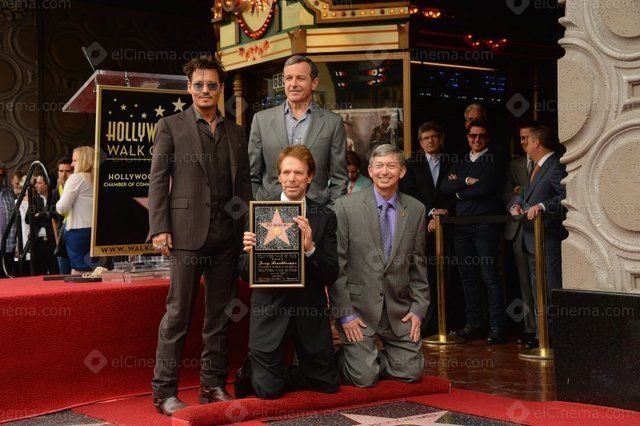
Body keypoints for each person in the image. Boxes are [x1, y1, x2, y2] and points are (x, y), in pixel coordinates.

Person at [148, 55, 251, 416]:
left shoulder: (236, 133)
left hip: (227, 237)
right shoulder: (170, 126)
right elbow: (158, 179)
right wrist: (159, 227)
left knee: (219, 316)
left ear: (220, 89)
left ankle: (212, 385)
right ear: (189, 88)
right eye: (198, 85)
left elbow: (244, 186)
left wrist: (247, 228)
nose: (205, 90)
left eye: (211, 85)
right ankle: (164, 391)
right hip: (186, 235)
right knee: (178, 314)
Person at [235, 145, 339, 399]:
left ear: (310, 176)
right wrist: (252, 255)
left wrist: (310, 249)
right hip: (270, 312)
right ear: (279, 176)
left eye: (299, 173)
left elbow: (331, 274)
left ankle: (280, 373)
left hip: (309, 313)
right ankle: (257, 373)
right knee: (268, 392)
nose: (292, 178)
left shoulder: (324, 216)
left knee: (328, 384)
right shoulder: (259, 211)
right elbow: (244, 272)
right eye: (286, 172)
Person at [331, 143, 429, 387]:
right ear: (370, 171)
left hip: (398, 312)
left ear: (402, 171)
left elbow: (419, 265)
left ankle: (370, 361)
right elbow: (338, 267)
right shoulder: (345, 207)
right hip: (358, 313)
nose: (385, 171)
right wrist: (345, 314)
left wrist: (418, 309)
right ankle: (341, 359)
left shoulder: (416, 209)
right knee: (364, 378)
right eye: (379, 166)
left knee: (412, 371)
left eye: (391, 166)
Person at [441, 120, 508, 344]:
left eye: (481, 136)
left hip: (485, 224)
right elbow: (445, 186)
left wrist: (460, 190)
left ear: (488, 138)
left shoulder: (494, 159)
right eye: (473, 136)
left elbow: (487, 188)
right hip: (461, 225)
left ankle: (497, 326)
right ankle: (474, 323)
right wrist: (467, 181)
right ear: (467, 137)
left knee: (490, 276)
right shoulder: (460, 160)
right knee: (467, 276)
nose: (477, 139)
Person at [249, 55, 348, 205]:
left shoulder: (332, 123)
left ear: (314, 83)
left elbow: (339, 178)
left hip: (316, 210)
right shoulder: (261, 120)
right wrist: (259, 207)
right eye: (288, 78)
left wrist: (330, 212)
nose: (293, 84)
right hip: (270, 210)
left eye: (300, 78)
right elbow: (252, 174)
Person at [509, 125, 567, 349]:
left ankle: (553, 338)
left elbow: (565, 197)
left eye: (528, 141)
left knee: (550, 290)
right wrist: (517, 205)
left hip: (548, 240)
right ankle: (541, 336)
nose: (524, 144)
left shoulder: (555, 166)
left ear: (537, 143)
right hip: (531, 240)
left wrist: (542, 206)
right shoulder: (536, 167)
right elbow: (526, 195)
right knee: (537, 291)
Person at [400, 121, 455, 336]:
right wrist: (431, 212)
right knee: (425, 276)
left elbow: (456, 192)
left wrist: (443, 211)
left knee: (448, 276)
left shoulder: (453, 161)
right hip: (421, 227)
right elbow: (409, 194)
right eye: (425, 138)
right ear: (420, 142)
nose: (430, 141)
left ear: (441, 139)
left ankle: (448, 322)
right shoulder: (411, 164)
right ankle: (427, 323)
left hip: (448, 227)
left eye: (434, 137)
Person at [503, 123, 535, 346]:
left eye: (527, 137)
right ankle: (530, 328)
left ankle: (547, 330)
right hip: (518, 230)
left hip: (541, 228)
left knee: (542, 281)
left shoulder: (549, 163)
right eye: (521, 137)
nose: (524, 141)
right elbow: (505, 193)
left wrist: (520, 190)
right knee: (524, 282)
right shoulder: (514, 165)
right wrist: (515, 198)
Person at [56, 146, 96, 273]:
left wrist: (57, 205)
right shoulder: (99, 178)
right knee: (98, 271)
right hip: (98, 232)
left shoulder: (76, 178)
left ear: (84, 161)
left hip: (79, 232)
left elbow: (62, 207)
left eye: (74, 160)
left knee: (80, 272)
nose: (72, 164)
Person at [28, 174, 58, 275]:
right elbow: (28, 219)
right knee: (39, 273)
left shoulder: (54, 197)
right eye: (36, 183)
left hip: (52, 241)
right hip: (38, 242)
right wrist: (46, 216)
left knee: (55, 271)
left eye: (39, 183)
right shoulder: (34, 200)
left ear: (47, 185)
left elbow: (56, 216)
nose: (36, 185)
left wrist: (40, 215)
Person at [50, 156, 74, 274]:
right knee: (64, 275)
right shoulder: (56, 192)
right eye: (61, 171)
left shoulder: (78, 190)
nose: (64, 175)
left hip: (76, 238)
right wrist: (57, 240)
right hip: (62, 240)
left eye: (68, 171)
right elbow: (53, 218)